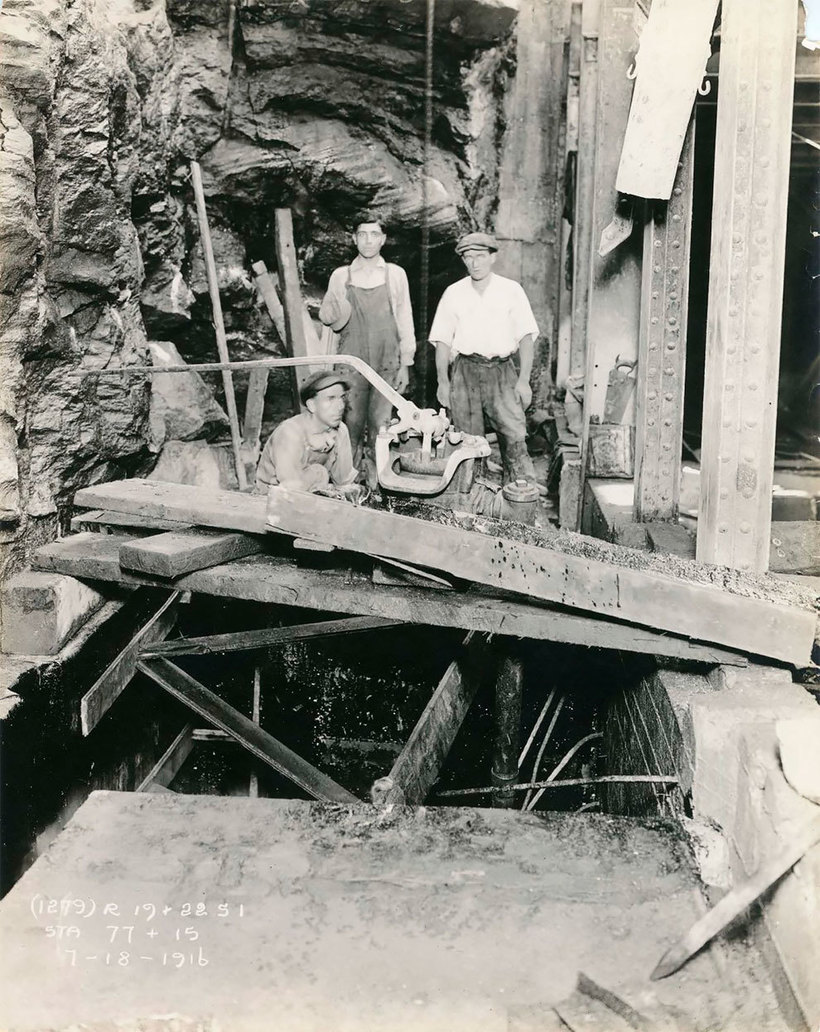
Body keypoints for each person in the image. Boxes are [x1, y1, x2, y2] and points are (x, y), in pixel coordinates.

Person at [429, 232, 538, 485]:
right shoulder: (454, 293)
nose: (474, 263)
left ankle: (520, 500)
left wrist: (523, 381)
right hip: (465, 371)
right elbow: (443, 342)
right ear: (463, 261)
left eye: (480, 256)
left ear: (492, 257)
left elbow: (525, 339)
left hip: (502, 372)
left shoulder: (511, 291)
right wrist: (443, 382)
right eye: (468, 257)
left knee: (514, 437)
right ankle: (472, 500)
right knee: (467, 443)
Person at [318, 214, 415, 483]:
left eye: (374, 234)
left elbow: (404, 317)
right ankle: (346, 483)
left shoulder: (395, 275)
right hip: (350, 364)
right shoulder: (341, 276)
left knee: (381, 427)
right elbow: (329, 321)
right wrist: (328, 368)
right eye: (362, 234)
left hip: (387, 362)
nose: (368, 240)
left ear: (383, 239)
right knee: (348, 424)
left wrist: (406, 363)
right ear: (354, 239)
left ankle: (378, 485)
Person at [255, 370, 363, 501]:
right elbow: (290, 490)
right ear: (311, 405)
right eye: (331, 398)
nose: (340, 406)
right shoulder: (290, 433)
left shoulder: (340, 430)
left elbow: (344, 483)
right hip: (269, 501)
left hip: (308, 499)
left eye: (342, 397)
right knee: (319, 472)